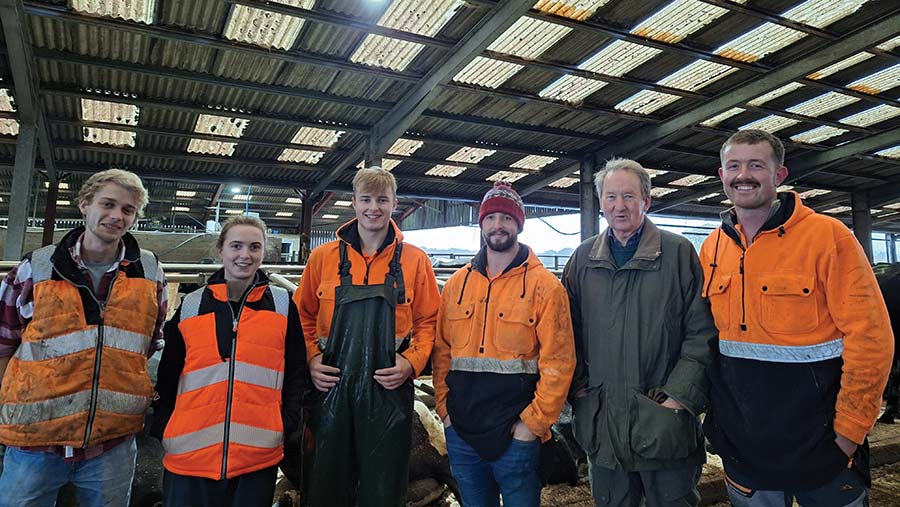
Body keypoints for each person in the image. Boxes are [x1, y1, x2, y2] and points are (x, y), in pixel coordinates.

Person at [700, 129, 893, 506]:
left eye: (757, 165)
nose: (744, 175)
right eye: (734, 166)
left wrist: (850, 432)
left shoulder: (827, 237)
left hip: (821, 444)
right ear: (722, 176)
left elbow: (871, 337)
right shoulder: (712, 246)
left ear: (780, 175)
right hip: (744, 447)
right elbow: (709, 341)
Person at [0, 169, 168, 507]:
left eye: (128, 210)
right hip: (35, 442)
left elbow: (149, 341)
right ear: (84, 205)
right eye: (107, 204)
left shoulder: (150, 272)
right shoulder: (38, 268)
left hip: (112, 444)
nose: (116, 216)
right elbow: (4, 341)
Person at [562, 159, 716, 506]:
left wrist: (679, 396)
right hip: (602, 420)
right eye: (611, 197)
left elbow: (702, 332)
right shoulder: (583, 258)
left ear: (647, 201)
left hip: (663, 419)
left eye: (629, 196)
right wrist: (580, 391)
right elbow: (564, 334)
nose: (620, 206)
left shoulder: (678, 254)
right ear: (600, 203)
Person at [294, 167, 440, 507]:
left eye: (382, 200)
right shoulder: (322, 258)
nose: (373, 208)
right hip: (331, 390)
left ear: (394, 204)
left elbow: (430, 320)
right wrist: (311, 358)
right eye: (366, 199)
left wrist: (412, 361)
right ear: (354, 203)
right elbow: (301, 315)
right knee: (326, 482)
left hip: (388, 391)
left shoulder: (416, 261)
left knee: (384, 486)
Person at [432, 181, 575, 507]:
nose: (498, 225)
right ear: (481, 223)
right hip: (462, 433)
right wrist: (444, 411)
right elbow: (442, 353)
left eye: (507, 218)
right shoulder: (457, 285)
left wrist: (533, 424)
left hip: (517, 435)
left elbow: (560, 362)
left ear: (519, 225)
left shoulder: (545, 287)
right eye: (491, 217)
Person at [151, 216, 305, 507]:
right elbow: (168, 372)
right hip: (189, 454)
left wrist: (286, 422)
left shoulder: (283, 304)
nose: (244, 255)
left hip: (256, 455)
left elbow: (296, 370)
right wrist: (165, 425)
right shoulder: (192, 305)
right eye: (236, 246)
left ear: (263, 252)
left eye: (254, 247)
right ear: (221, 249)